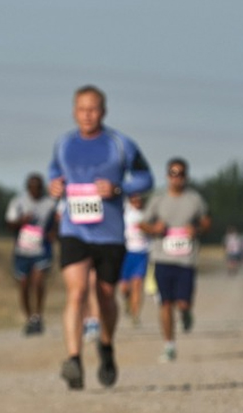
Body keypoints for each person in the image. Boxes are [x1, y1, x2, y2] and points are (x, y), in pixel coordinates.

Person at [47, 85, 154, 390]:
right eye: (82, 109)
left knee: (106, 296)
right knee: (77, 292)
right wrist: (54, 185)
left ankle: (106, 347)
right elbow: (53, 172)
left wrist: (119, 188)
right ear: (74, 112)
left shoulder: (121, 144)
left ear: (103, 112)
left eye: (93, 109)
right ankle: (74, 359)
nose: (87, 115)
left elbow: (146, 178)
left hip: (109, 234)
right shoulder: (64, 144)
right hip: (74, 230)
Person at [141, 157, 211, 363]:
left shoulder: (194, 200)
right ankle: (169, 345)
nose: (177, 177)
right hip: (162, 257)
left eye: (180, 174)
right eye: (173, 173)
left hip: (186, 260)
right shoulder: (158, 200)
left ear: (186, 177)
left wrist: (196, 229)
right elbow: (142, 224)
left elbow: (207, 221)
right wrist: (154, 228)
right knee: (165, 303)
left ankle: (186, 313)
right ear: (167, 176)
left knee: (182, 302)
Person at [4, 173, 58, 336]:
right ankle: (29, 318)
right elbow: (9, 223)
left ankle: (38, 316)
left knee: (38, 281)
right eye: (32, 187)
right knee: (24, 286)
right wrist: (22, 221)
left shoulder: (50, 203)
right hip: (22, 250)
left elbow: (58, 221)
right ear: (28, 188)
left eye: (38, 187)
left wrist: (53, 233)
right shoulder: (18, 202)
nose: (35, 190)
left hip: (42, 250)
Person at [118, 193, 149, 327]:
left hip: (142, 253)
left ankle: (135, 315)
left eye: (139, 198)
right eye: (134, 198)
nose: (137, 201)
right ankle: (127, 300)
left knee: (137, 284)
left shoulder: (147, 213)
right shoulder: (125, 212)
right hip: (126, 252)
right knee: (124, 288)